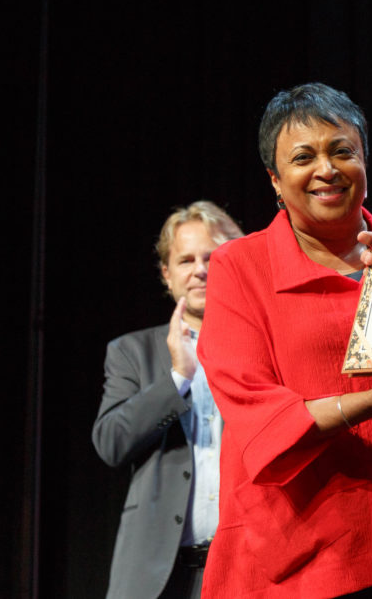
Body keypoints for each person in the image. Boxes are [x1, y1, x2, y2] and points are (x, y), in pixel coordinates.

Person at [196, 83, 372, 599]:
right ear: (275, 180)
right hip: (298, 558)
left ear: (365, 160)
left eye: (343, 151)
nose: (327, 169)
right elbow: (257, 412)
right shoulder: (240, 267)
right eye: (303, 157)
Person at [93, 201, 244, 599]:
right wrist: (179, 375)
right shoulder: (132, 351)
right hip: (158, 576)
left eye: (213, 257)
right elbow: (110, 442)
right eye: (186, 260)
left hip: (246, 569)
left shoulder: (263, 347)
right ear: (167, 273)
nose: (200, 270)